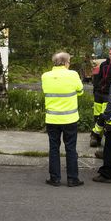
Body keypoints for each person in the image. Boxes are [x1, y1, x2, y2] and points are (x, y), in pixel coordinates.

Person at [41, 52, 85, 187]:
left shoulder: (45, 76)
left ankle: (55, 178)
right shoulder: (73, 74)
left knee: (54, 148)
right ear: (66, 62)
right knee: (70, 148)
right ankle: (72, 179)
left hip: (52, 119)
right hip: (69, 118)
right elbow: (80, 90)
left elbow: (45, 92)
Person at [90, 46, 111, 147]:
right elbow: (98, 78)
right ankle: (97, 139)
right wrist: (96, 89)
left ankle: (96, 136)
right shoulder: (103, 64)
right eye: (110, 54)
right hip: (99, 94)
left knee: (104, 117)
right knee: (96, 117)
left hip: (108, 95)